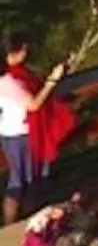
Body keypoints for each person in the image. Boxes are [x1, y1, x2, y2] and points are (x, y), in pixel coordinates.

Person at [0, 40, 69, 224]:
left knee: (19, 180)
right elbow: (34, 104)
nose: (26, 52)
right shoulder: (9, 82)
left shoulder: (9, 79)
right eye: (22, 49)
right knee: (23, 183)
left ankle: (14, 226)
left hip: (9, 133)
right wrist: (52, 81)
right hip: (20, 134)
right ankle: (21, 224)